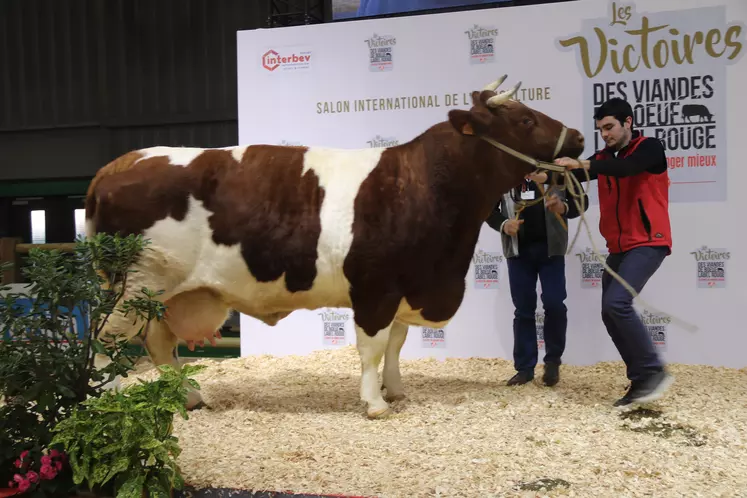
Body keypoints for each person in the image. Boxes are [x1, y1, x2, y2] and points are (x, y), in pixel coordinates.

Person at [554, 97, 674, 407]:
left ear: (628, 122)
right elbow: (578, 175)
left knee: (617, 303)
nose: (605, 134)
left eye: (609, 127)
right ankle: (641, 381)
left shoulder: (649, 148)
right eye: (601, 129)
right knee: (610, 311)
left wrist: (581, 164)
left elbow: (625, 168)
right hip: (619, 248)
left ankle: (652, 372)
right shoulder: (604, 156)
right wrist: (544, 173)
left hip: (649, 242)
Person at [486, 170, 588, 387]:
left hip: (551, 250)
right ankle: (524, 368)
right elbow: (487, 208)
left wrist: (564, 208)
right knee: (523, 310)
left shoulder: (556, 168)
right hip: (518, 252)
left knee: (554, 304)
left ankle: (552, 361)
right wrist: (504, 224)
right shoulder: (503, 170)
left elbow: (582, 201)